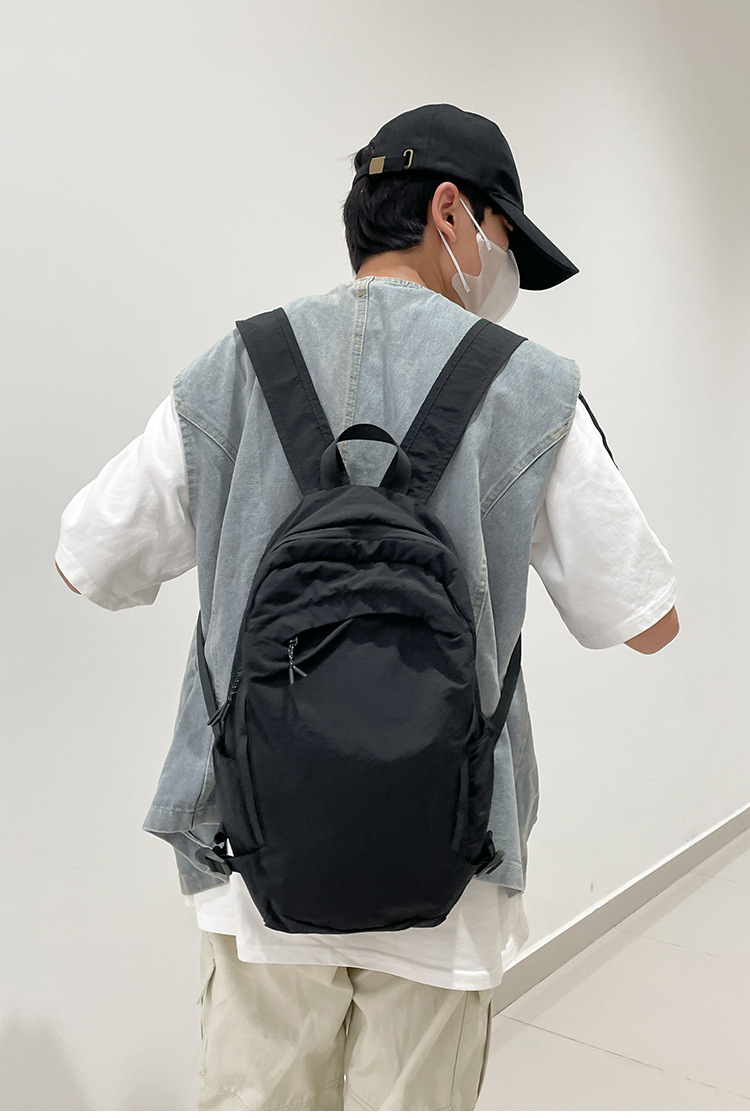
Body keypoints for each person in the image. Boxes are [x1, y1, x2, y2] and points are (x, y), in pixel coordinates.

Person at [55, 103, 679, 1111]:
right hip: (450, 853)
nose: (508, 274)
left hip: (253, 844)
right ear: (450, 213)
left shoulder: (232, 366)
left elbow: (85, 561)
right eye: (506, 237)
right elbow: (647, 622)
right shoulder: (533, 388)